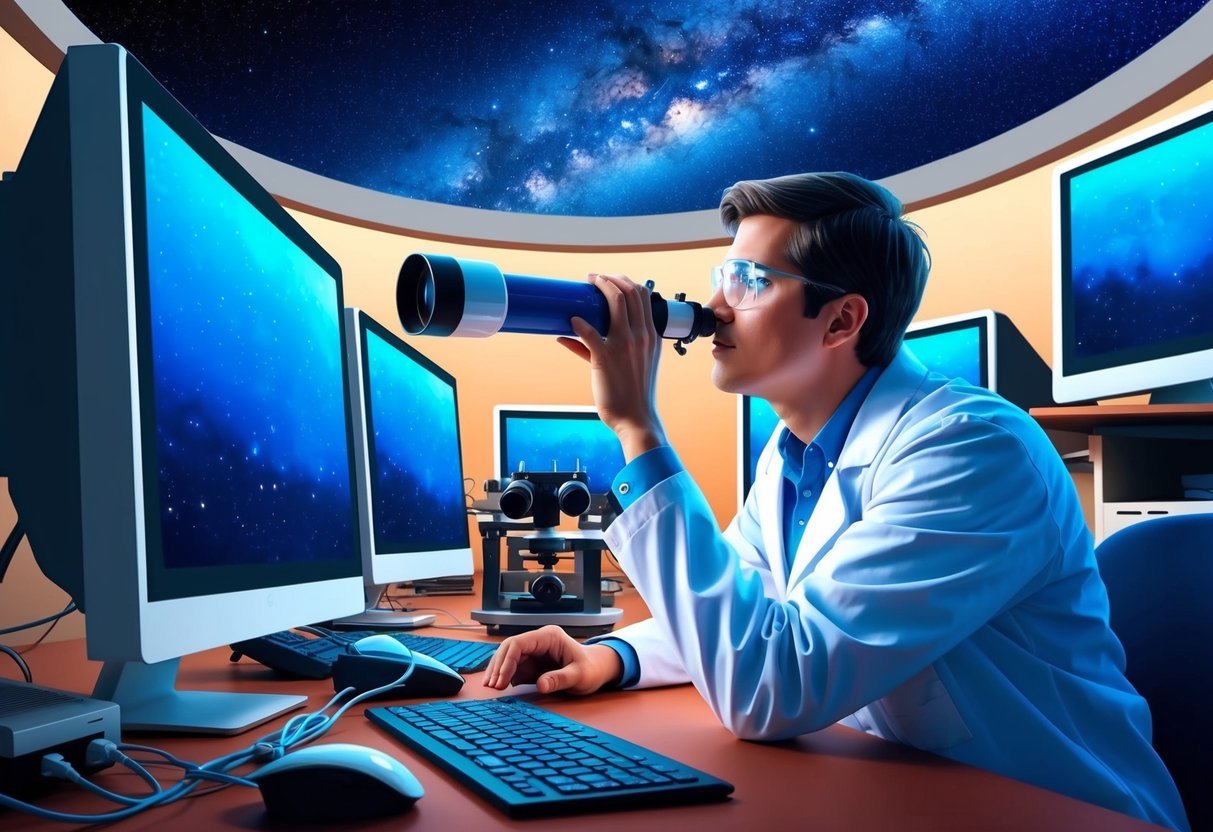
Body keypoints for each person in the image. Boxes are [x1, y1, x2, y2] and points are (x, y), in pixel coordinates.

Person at [481, 172, 1188, 831]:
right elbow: (744, 611)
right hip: (903, 792)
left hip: (1051, 806)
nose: (715, 306)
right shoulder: (791, 457)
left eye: (746, 279)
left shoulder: (970, 450)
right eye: (718, 276)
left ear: (841, 320)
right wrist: (611, 659)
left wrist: (637, 427)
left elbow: (769, 691)